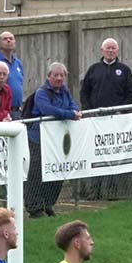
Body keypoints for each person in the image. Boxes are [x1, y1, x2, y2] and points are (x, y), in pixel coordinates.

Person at [79, 38, 132, 200]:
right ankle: (94, 192)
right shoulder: (93, 70)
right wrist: (90, 110)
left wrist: (121, 111)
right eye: (108, 48)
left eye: (113, 48)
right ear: (102, 50)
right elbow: (84, 92)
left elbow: (131, 93)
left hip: (116, 121)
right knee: (96, 155)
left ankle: (111, 192)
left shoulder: (124, 70)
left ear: (117, 51)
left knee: (113, 155)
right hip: (96, 120)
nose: (110, 51)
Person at [25, 62, 81, 219]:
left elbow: (73, 106)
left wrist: (72, 112)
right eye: (55, 75)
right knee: (36, 174)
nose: (59, 78)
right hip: (38, 139)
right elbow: (48, 110)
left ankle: (47, 203)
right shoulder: (41, 93)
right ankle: (34, 208)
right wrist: (69, 114)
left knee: (56, 171)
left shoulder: (65, 91)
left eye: (61, 75)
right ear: (48, 76)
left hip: (57, 139)